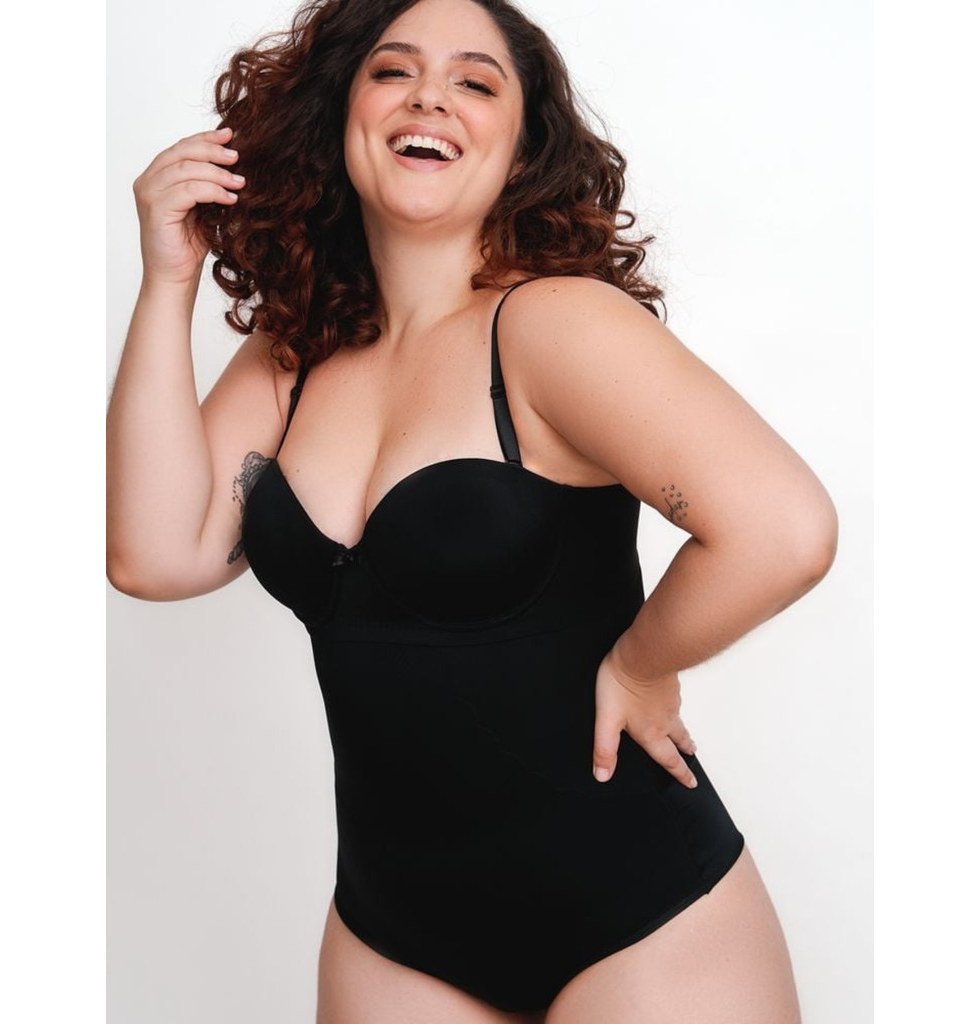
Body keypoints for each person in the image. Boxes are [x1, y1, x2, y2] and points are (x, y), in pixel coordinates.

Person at [106, 0, 837, 1019]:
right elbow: (154, 557)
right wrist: (167, 282)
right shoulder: (295, 348)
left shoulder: (551, 324)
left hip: (641, 922)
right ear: (340, 114)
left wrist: (642, 663)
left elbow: (783, 529)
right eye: (392, 71)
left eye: (475, 81)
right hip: (392, 936)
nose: (430, 98)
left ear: (523, 145)